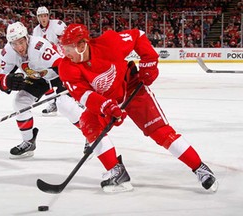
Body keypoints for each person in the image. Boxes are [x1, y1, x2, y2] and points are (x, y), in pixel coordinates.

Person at [58, 24, 219, 193]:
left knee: (160, 132)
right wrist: (105, 106)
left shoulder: (110, 42)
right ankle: (116, 172)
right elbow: (84, 95)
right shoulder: (66, 67)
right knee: (88, 122)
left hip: (132, 88)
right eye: (64, 48)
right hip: (107, 100)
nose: (65, 53)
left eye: (69, 48)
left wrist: (149, 61)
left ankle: (200, 168)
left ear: (82, 45)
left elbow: (138, 35)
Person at [0, 22, 84, 159]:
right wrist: (7, 81)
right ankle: (29, 141)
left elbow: (61, 65)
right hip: (38, 77)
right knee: (20, 101)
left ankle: (91, 134)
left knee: (64, 104)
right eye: (14, 43)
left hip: (59, 74)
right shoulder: (8, 51)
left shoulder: (39, 46)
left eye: (21, 42)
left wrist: (71, 85)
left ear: (27, 38)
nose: (19, 47)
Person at [33, 6, 67, 116]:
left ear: (48, 16)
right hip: (47, 60)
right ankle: (52, 103)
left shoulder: (57, 25)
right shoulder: (36, 31)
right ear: (38, 18)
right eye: (41, 16)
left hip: (61, 58)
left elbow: (67, 40)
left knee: (68, 79)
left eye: (45, 16)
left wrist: (56, 46)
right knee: (43, 78)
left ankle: (77, 99)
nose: (43, 18)